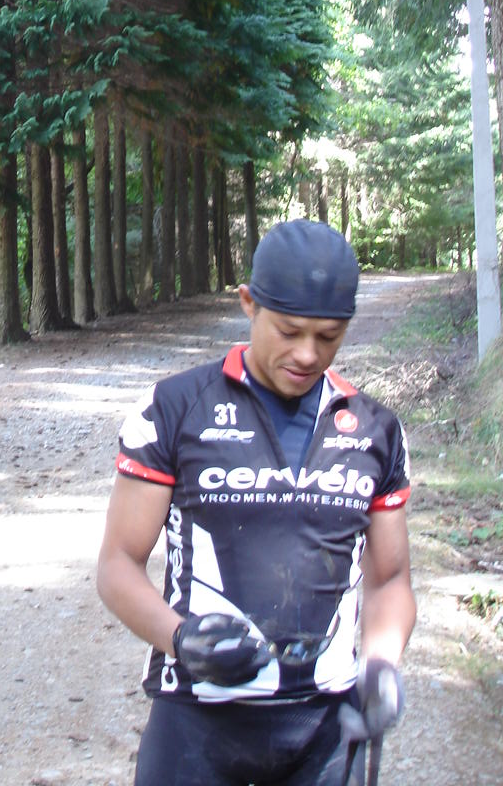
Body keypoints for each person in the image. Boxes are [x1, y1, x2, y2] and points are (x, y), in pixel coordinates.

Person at [97, 219, 415, 786]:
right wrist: (179, 639)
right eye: (288, 331)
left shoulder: (376, 430)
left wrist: (381, 665)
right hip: (196, 722)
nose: (307, 354)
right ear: (248, 304)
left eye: (328, 337)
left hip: (325, 728)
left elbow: (389, 579)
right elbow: (118, 564)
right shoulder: (173, 409)